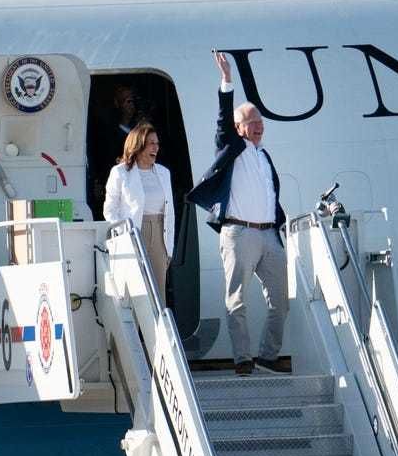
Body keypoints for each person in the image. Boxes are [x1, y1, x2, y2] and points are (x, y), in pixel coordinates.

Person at [186, 52, 288, 376]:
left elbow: (271, 195)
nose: (258, 126)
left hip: (268, 234)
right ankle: (243, 359)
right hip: (239, 233)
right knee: (237, 299)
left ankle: (267, 356)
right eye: (251, 122)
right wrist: (227, 80)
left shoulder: (263, 156)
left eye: (261, 121)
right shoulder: (233, 148)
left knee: (281, 302)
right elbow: (222, 118)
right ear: (238, 127)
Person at [104, 123, 175, 303]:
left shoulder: (164, 173)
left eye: (157, 144)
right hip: (134, 233)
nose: (156, 148)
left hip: (159, 235)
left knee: (158, 296)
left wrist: (169, 248)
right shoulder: (120, 172)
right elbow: (109, 210)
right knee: (134, 296)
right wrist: (124, 235)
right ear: (138, 145)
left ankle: (159, 331)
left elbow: (170, 212)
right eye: (151, 143)